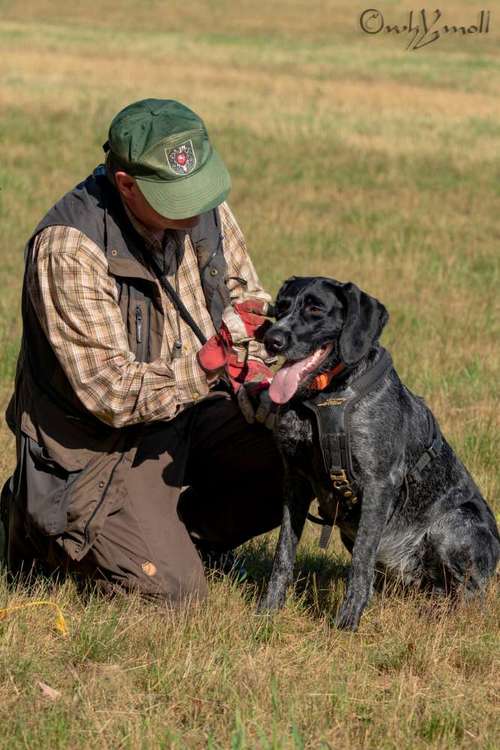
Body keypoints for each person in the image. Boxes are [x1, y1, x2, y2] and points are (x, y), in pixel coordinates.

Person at [1, 98, 283, 602]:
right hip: (103, 448)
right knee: (176, 595)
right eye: (176, 200)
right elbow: (110, 395)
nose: (194, 209)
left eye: (196, 190)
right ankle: (38, 527)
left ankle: (180, 536)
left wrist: (255, 361)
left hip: (189, 412)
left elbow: (247, 298)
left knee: (294, 441)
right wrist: (207, 363)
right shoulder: (70, 246)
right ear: (126, 184)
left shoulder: (201, 203)